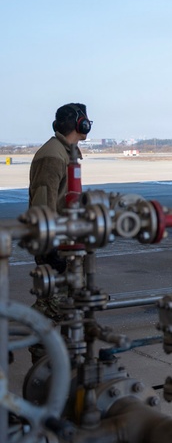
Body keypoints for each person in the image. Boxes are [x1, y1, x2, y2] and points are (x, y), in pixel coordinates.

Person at [28, 103, 91, 315]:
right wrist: (50, 249)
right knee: (52, 309)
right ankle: (36, 337)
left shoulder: (65, 152)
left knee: (70, 309)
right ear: (80, 124)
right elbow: (43, 205)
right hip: (56, 244)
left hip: (67, 241)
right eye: (86, 120)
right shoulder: (53, 155)